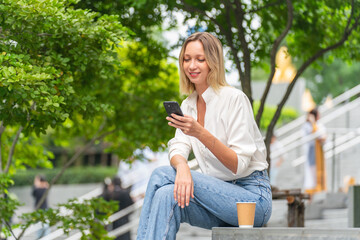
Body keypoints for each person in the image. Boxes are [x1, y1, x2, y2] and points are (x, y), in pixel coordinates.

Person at [136, 32, 272, 240]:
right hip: (216, 200)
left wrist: (199, 132)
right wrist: (181, 167)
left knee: (161, 175)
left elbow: (239, 165)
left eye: (200, 59)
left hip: (252, 201)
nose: (192, 66)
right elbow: (178, 147)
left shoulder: (234, 99)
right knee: (165, 195)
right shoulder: (188, 105)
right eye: (186, 59)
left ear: (213, 63)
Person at [302, 108, 327, 195]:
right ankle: (312, 195)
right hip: (311, 153)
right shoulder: (307, 126)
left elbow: (323, 137)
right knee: (312, 175)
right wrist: (312, 123)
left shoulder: (319, 125)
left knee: (319, 175)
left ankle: (319, 192)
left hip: (319, 153)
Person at [32, 175, 50, 239]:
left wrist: (37, 185)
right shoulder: (39, 188)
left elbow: (35, 193)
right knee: (40, 227)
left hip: (43, 209)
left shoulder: (43, 188)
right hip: (40, 209)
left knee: (44, 226)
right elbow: (34, 194)